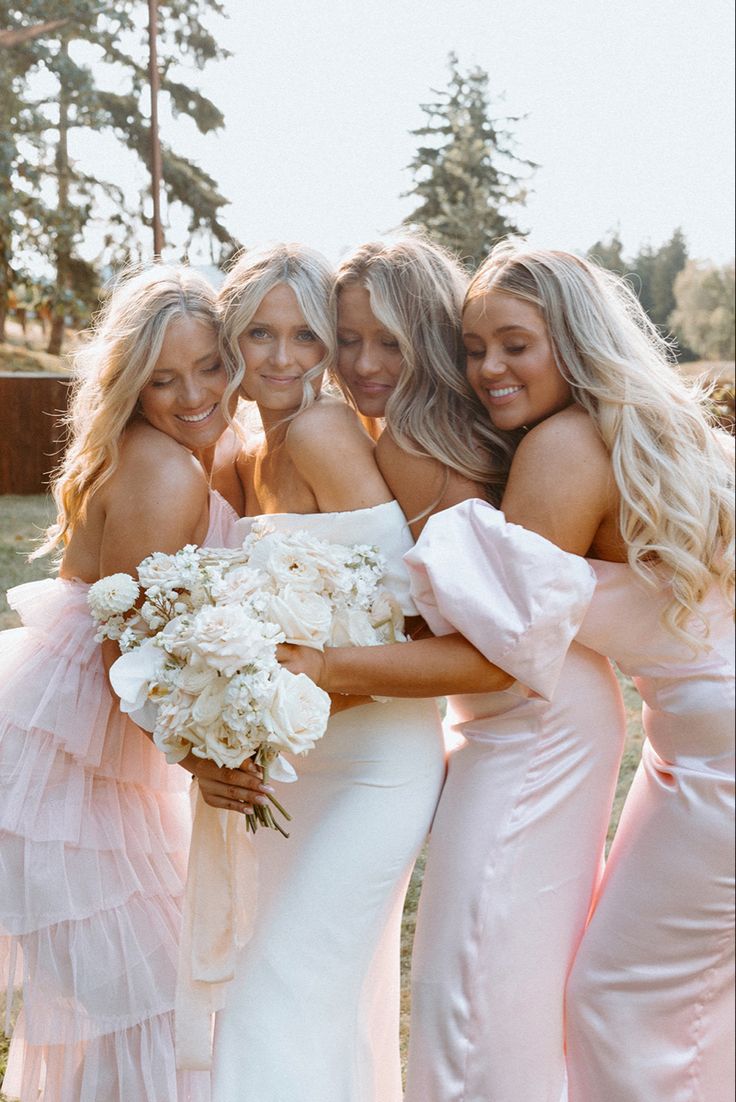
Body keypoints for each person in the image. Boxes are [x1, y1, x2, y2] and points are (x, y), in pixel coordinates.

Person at [283, 239, 735, 1100]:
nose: (489, 367)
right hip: (692, 746)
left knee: (619, 999)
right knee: (674, 999)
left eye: (515, 345)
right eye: (475, 346)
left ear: (573, 339)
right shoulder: (625, 432)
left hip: (710, 761)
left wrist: (325, 663)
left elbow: (503, 659)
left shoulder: (565, 447)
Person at [208, 241, 513, 1102]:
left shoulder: (322, 430)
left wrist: (308, 669)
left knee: (277, 989)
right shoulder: (246, 455)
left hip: (377, 765)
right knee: (326, 1003)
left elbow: (396, 601)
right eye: (259, 333)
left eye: (307, 337)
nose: (283, 357)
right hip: (297, 765)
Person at [0, 265, 269, 1102]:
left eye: (209, 368)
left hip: (104, 763)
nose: (193, 394)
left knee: (141, 1003)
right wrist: (206, 762)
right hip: (62, 770)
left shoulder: (208, 450)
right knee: (151, 1001)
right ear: (129, 380)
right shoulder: (164, 470)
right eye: (162, 378)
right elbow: (129, 660)